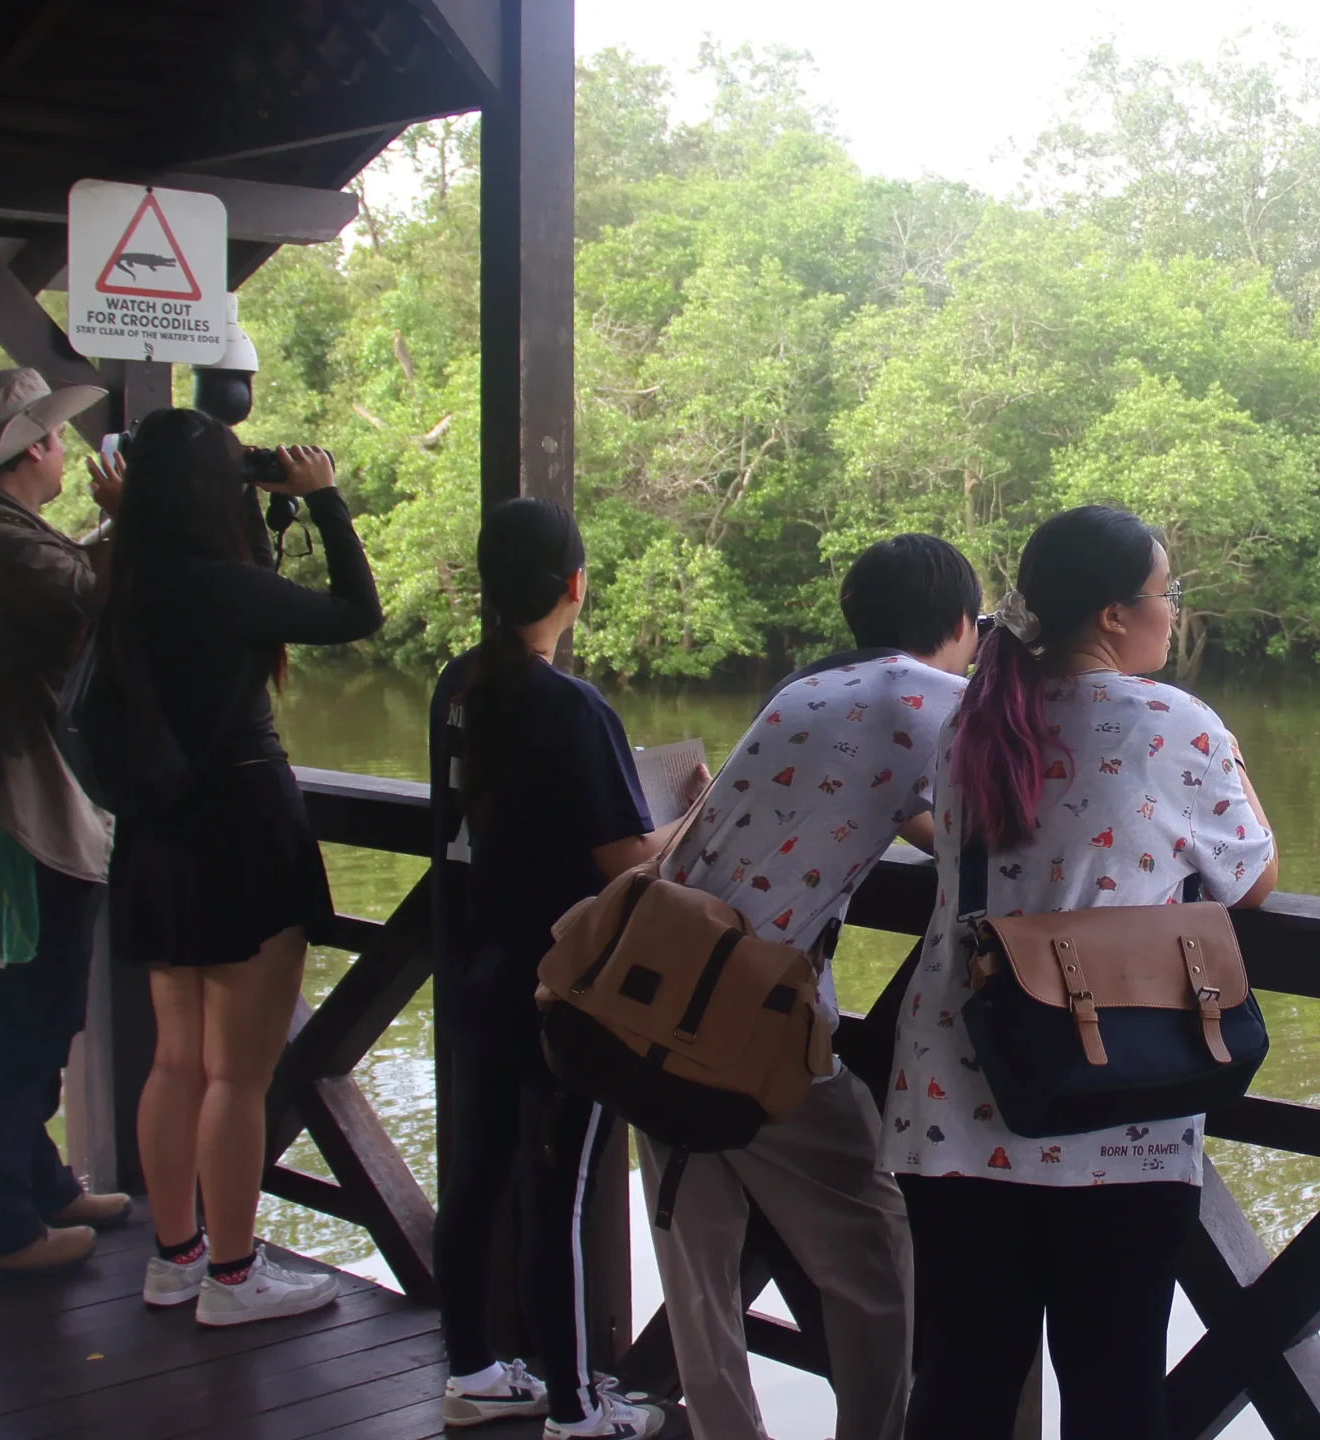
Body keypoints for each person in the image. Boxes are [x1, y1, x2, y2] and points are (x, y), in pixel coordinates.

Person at [878, 506, 1279, 1440]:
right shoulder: (1172, 720)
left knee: (963, 1382)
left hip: (957, 1085)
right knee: (1115, 1388)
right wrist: (1227, 749)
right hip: (1113, 1090)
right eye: (1166, 592)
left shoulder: (974, 716)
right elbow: (1254, 877)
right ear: (1113, 614)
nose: (1173, 611)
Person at [639, 534, 982, 1440]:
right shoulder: (935, 699)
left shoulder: (805, 688)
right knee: (875, 1246)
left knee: (697, 1254)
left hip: (652, 988)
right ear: (960, 623)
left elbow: (898, 811)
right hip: (753, 1018)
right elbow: (1000, 833)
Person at [92, 408, 383, 1327]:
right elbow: (357, 612)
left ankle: (176, 1258)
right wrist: (323, 499)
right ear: (218, 492)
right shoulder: (224, 588)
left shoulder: (124, 579)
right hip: (243, 833)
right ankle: (232, 1274)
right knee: (236, 1076)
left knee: (176, 1059)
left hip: (158, 837)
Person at [428, 498, 689, 1438]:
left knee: (474, 1180)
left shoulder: (458, 685)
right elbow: (627, 859)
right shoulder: (572, 705)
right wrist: (694, 813)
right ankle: (577, 1408)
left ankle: (473, 1371)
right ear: (576, 586)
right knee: (561, 1195)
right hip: (560, 989)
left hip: (473, 969)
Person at [0, 367, 133, 1273]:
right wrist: (128, 520)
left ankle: (37, 1185)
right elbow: (96, 598)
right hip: (23, 812)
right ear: (35, 448)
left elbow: (73, 584)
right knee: (18, 1020)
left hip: (18, 803)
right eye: (55, 439)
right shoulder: (0, 548)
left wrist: (113, 529)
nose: (64, 453)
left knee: (29, 1013)